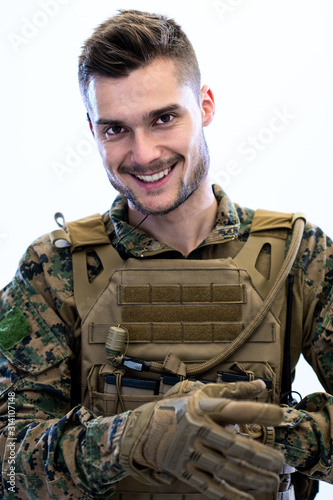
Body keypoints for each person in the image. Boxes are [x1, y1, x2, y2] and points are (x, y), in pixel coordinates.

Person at [0, 8, 332, 500]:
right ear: (92, 130)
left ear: (206, 106)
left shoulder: (299, 258)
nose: (145, 153)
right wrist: (131, 440)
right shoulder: (52, 271)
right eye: (116, 129)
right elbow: (9, 460)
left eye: (163, 118)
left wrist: (249, 431)